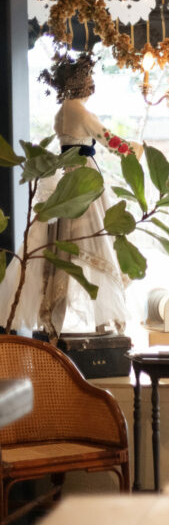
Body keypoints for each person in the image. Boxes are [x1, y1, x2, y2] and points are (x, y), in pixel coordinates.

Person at [0, 50, 137, 337]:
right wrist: (135, 148)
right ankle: (105, 323)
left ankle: (60, 325)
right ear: (81, 83)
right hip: (82, 178)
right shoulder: (80, 111)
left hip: (67, 174)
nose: (91, 85)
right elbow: (109, 139)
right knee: (95, 244)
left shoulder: (63, 110)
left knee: (64, 247)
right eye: (88, 80)